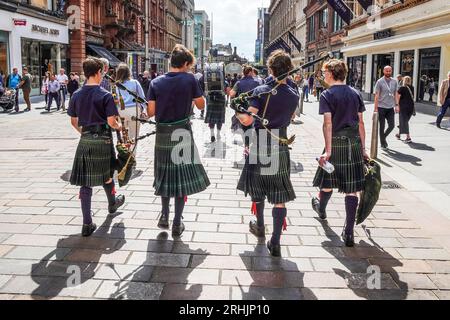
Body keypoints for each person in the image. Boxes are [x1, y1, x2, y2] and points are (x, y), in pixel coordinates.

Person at [236, 50, 299, 257]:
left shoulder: (261, 91)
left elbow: (246, 120)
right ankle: (276, 242)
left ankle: (261, 226)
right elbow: (290, 117)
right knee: (278, 194)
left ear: (270, 69)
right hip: (280, 142)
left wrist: (237, 108)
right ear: (289, 70)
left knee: (258, 187)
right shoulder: (294, 94)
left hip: (261, 141)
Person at [147, 44, 210, 237]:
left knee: (165, 174)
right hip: (182, 132)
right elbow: (201, 105)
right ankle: (176, 222)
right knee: (181, 177)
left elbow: (150, 112)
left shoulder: (155, 82)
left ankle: (164, 215)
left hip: (163, 134)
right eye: (189, 66)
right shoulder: (189, 80)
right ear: (184, 63)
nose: (190, 69)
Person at [311, 59, 368, 247]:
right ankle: (349, 233)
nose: (323, 75)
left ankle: (321, 209)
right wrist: (363, 149)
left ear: (331, 74)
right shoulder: (356, 94)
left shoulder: (327, 95)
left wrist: (328, 150)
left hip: (335, 143)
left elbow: (327, 124)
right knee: (351, 189)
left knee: (327, 181)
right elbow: (361, 123)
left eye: (325, 72)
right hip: (353, 144)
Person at [68, 57, 125, 237]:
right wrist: (119, 126)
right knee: (107, 176)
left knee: (86, 183)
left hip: (85, 141)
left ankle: (87, 223)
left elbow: (73, 121)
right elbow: (111, 121)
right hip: (103, 140)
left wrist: (85, 133)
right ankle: (112, 204)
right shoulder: (105, 95)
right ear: (99, 72)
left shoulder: (76, 94)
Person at [114, 63, 147, 156]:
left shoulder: (116, 85)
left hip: (121, 111)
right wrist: (144, 110)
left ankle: (123, 154)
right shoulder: (135, 83)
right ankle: (132, 156)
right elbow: (142, 98)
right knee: (134, 135)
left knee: (123, 134)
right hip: (134, 110)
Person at [374, 66, 399, 149]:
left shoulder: (394, 81)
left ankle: (383, 137)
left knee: (392, 125)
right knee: (382, 126)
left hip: (390, 107)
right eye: (386, 71)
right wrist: (375, 108)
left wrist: (396, 105)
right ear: (383, 71)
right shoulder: (380, 82)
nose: (388, 72)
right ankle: (383, 143)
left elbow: (396, 94)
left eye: (389, 71)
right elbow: (377, 95)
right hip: (381, 107)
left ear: (391, 71)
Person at [396, 76, 415, 143]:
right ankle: (398, 135)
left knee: (404, 121)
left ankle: (408, 137)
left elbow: (397, 96)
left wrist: (397, 105)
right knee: (404, 121)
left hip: (403, 106)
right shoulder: (412, 88)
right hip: (411, 107)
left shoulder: (402, 88)